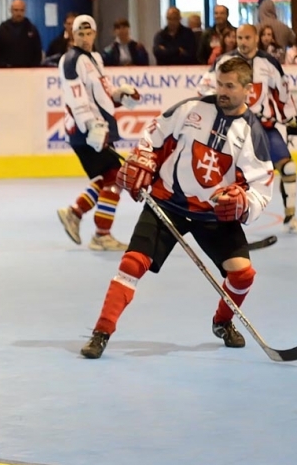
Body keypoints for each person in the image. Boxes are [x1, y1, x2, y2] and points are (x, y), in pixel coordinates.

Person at [81, 58, 274, 359]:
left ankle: (222, 322)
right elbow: (153, 136)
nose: (222, 91)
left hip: (213, 214)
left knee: (242, 275)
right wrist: (144, 158)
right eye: (219, 84)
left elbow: (261, 187)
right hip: (167, 202)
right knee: (132, 264)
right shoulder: (191, 109)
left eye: (230, 86)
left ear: (249, 89)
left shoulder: (252, 132)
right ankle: (101, 332)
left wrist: (243, 204)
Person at [201, 24, 297, 234]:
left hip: (263, 129)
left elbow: (282, 93)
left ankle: (290, 218)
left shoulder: (269, 63)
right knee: (219, 173)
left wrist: (290, 118)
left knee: (288, 168)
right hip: (232, 128)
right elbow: (204, 88)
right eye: (240, 38)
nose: (243, 42)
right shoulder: (224, 61)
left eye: (247, 38)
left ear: (256, 38)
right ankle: (212, 217)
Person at [56, 15, 141, 251]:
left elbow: (102, 93)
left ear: (94, 34)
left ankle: (75, 213)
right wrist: (90, 125)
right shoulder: (70, 60)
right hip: (86, 131)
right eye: (80, 34)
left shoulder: (94, 58)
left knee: (108, 178)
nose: (84, 38)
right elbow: (76, 97)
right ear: (73, 35)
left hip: (98, 128)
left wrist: (120, 95)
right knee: (114, 177)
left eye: (88, 33)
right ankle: (101, 234)